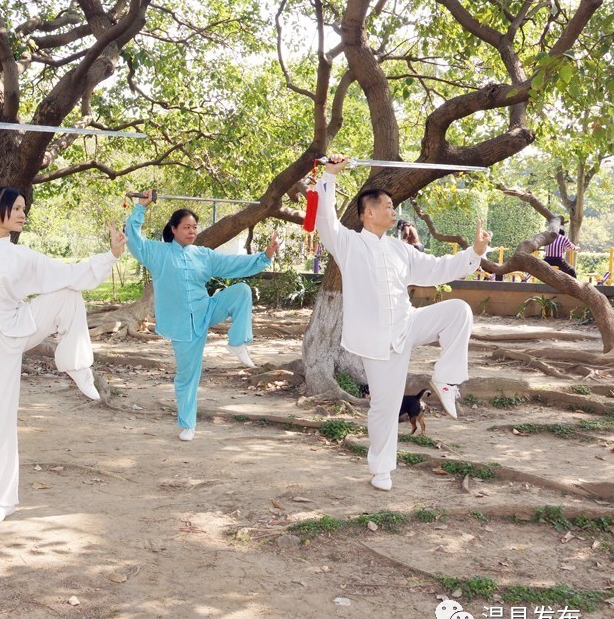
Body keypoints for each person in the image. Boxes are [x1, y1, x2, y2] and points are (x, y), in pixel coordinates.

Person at [0, 116, 126, 526]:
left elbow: (68, 272)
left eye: (25, 208)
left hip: (16, 330)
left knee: (66, 294)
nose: (22, 213)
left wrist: (110, 256)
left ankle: (77, 365)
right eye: (16, 208)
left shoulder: (22, 257)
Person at [315, 156, 492, 491]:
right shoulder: (348, 244)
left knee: (459, 311)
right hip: (376, 341)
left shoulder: (401, 250)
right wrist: (330, 175)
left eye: (394, 206)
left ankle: (446, 379)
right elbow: (325, 221)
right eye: (386, 206)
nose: (392, 210)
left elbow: (439, 268)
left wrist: (476, 252)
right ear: (367, 212)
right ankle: (381, 469)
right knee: (384, 405)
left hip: (408, 323)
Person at [125, 191, 279, 441]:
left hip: (207, 310)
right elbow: (134, 240)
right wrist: (140, 208)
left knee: (241, 290)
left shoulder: (203, 254)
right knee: (187, 376)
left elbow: (233, 264)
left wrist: (265, 256)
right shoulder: (157, 253)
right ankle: (188, 425)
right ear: (173, 229)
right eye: (186, 227)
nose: (192, 231)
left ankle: (237, 342)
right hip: (182, 327)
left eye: (195, 227)